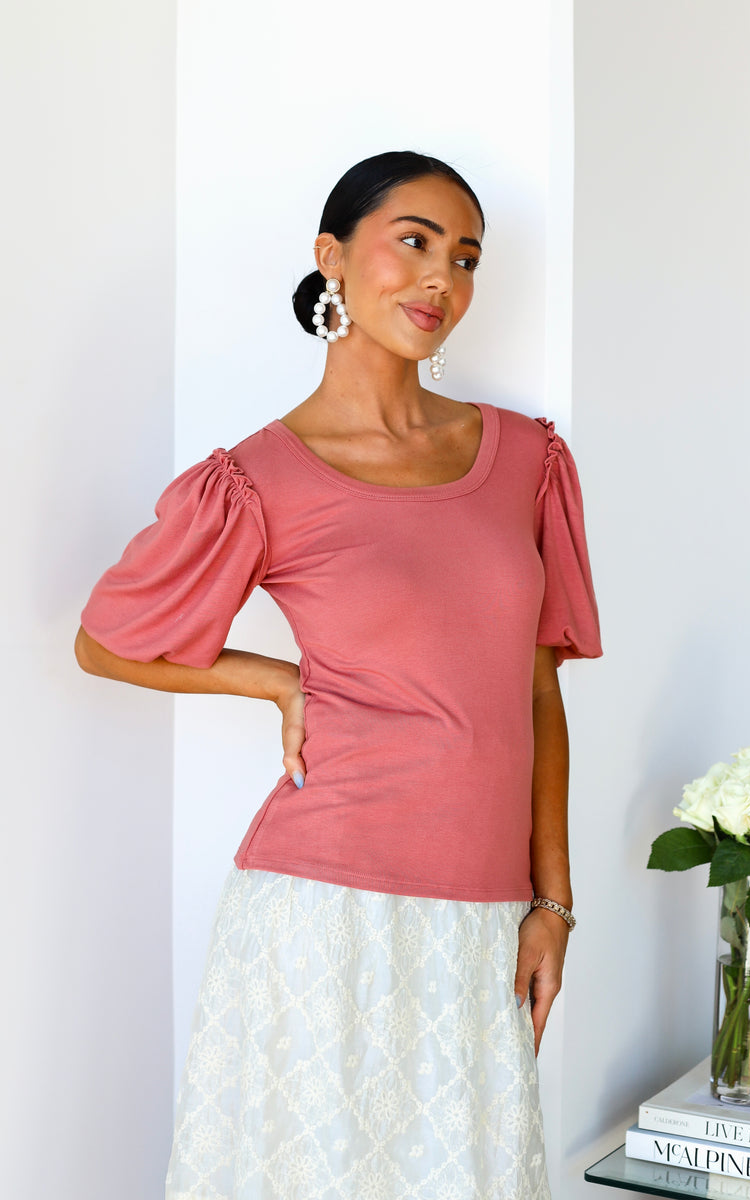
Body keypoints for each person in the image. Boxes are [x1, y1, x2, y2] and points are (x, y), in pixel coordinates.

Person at [75, 150, 601, 1200]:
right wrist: (275, 681)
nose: (441, 278)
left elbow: (537, 690)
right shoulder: (260, 479)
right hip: (317, 910)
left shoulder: (523, 458)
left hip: (482, 913)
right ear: (333, 256)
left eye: (465, 258)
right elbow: (106, 640)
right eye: (413, 241)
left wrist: (553, 901)